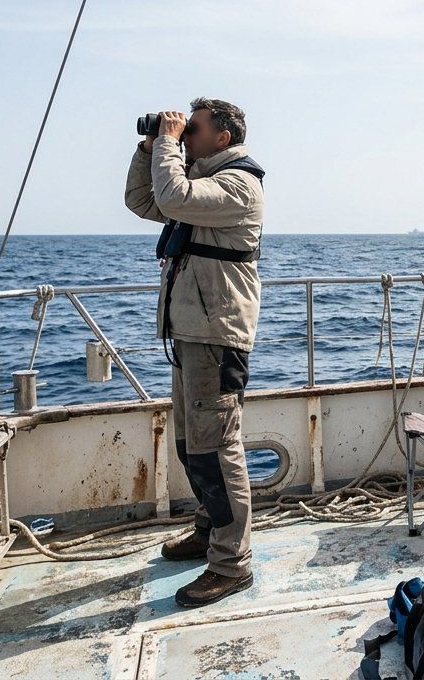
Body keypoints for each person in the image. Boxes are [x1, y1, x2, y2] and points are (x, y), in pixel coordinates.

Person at [124, 98, 265, 606]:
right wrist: (150, 148)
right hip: (192, 331)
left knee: (217, 450)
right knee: (192, 446)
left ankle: (231, 565)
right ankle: (209, 530)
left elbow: (174, 194)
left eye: (193, 128)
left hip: (217, 333)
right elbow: (146, 199)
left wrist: (166, 144)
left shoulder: (237, 185)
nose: (183, 134)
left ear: (222, 137)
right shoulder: (202, 182)